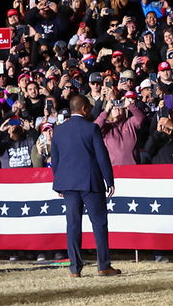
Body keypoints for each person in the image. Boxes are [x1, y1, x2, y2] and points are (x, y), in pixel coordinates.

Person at [51, 94, 121, 278]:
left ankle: (75, 268)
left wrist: (59, 184)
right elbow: (102, 156)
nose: (90, 110)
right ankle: (103, 266)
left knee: (73, 225)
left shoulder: (58, 130)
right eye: (89, 107)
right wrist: (109, 180)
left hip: (68, 184)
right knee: (99, 224)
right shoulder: (92, 128)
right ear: (84, 108)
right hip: (91, 183)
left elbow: (55, 160)